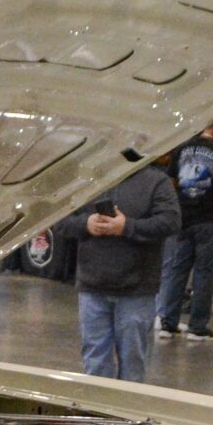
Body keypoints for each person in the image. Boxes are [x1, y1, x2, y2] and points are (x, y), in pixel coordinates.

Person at [57, 163, 179, 380]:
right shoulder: (85, 179)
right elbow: (58, 221)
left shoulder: (156, 181)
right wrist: (85, 224)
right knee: (95, 361)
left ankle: (126, 413)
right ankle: (96, 411)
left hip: (136, 290)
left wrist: (127, 227)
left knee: (133, 362)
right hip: (92, 287)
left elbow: (170, 222)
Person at [157, 121, 213, 342]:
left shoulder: (182, 147)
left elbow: (171, 182)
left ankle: (168, 322)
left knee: (177, 270)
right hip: (210, 221)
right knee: (204, 273)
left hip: (183, 219)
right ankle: (197, 327)